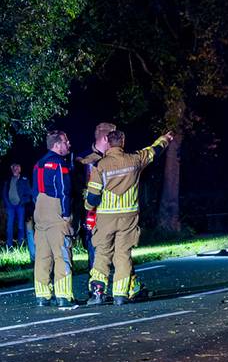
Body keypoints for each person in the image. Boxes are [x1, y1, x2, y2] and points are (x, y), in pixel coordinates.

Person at [85, 129, 173, 305]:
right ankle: (120, 294)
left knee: (102, 253)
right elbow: (153, 151)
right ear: (122, 142)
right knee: (123, 254)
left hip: (106, 217)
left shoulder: (100, 165)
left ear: (109, 144)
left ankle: (98, 293)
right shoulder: (135, 160)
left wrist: (88, 207)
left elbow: (93, 197)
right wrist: (165, 139)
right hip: (128, 216)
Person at [31, 131, 77, 307]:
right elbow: (64, 190)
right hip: (55, 209)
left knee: (43, 255)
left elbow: (35, 191)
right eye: (66, 141)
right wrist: (66, 214)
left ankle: (42, 295)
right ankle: (63, 295)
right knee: (62, 253)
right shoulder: (59, 163)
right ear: (57, 145)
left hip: (39, 211)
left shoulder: (38, 164)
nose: (69, 144)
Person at [76, 122, 117, 270]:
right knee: (93, 242)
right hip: (92, 208)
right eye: (113, 137)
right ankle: (96, 284)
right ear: (106, 138)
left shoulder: (114, 156)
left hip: (113, 208)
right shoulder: (83, 159)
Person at [5, 162, 33, 248]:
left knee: (21, 226)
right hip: (10, 207)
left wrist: (22, 202)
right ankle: (9, 246)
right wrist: (7, 203)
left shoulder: (24, 179)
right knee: (9, 226)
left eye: (17, 167)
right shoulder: (8, 179)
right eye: (13, 167)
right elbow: (4, 193)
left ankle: (21, 245)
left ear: (20, 169)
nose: (15, 169)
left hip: (20, 206)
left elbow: (29, 193)